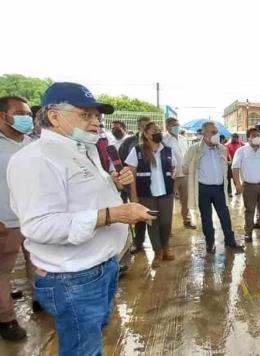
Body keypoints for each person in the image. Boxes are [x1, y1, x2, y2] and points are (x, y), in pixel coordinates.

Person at [7, 82, 153, 354]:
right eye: (86, 115)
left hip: (101, 267)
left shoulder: (83, 149)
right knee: (83, 350)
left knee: (91, 339)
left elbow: (82, 198)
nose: (96, 122)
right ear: (54, 116)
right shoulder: (36, 159)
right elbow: (40, 225)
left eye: (97, 116)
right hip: (73, 278)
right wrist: (115, 214)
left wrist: (115, 184)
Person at [0, 96, 35, 341]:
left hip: (34, 217)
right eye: (21, 113)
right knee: (3, 271)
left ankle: (42, 300)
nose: (28, 118)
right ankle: (7, 319)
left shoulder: (33, 144)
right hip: (5, 221)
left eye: (29, 114)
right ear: (3, 116)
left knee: (39, 262)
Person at [183, 121, 244, 253]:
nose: (216, 134)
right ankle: (210, 243)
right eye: (213, 132)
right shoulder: (194, 149)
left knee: (225, 216)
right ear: (204, 134)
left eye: (217, 132)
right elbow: (185, 167)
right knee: (206, 218)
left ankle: (230, 241)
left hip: (219, 189)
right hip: (203, 189)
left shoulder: (221, 148)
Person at [126, 122, 177, 267]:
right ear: (146, 133)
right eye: (154, 130)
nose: (158, 132)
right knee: (152, 223)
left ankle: (166, 247)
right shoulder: (137, 151)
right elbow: (131, 175)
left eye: (159, 130)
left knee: (166, 222)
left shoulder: (167, 150)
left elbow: (173, 166)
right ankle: (158, 251)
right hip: (146, 194)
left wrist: (171, 177)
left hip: (166, 192)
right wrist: (134, 196)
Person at [232, 127, 260, 242]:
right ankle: (248, 232)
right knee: (249, 210)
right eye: (253, 135)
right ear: (248, 138)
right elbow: (235, 167)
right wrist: (238, 184)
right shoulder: (241, 151)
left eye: (258, 135)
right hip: (249, 186)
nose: (256, 137)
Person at [119, 116, 152, 253]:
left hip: (152, 186)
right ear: (139, 127)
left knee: (152, 214)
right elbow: (121, 160)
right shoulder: (129, 142)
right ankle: (138, 242)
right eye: (144, 126)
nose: (146, 129)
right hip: (134, 184)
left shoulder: (155, 142)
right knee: (137, 215)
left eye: (148, 126)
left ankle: (159, 244)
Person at [162, 117, 196, 229]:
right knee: (168, 202)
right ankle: (167, 226)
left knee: (185, 200)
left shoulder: (182, 139)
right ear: (167, 126)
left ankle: (187, 220)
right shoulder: (163, 140)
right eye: (173, 125)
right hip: (171, 176)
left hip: (184, 174)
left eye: (177, 124)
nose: (176, 127)